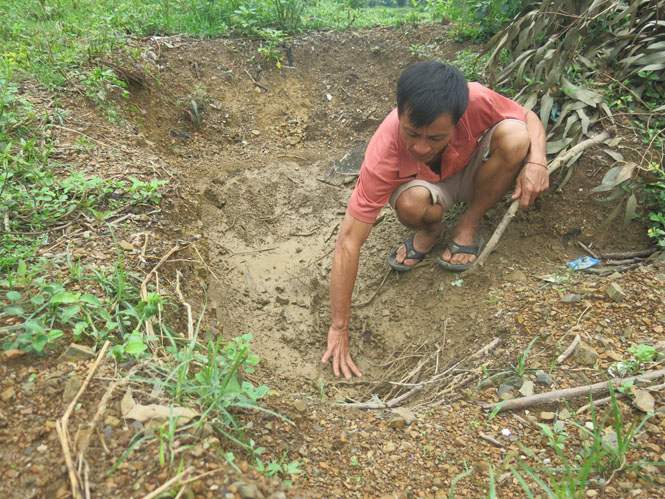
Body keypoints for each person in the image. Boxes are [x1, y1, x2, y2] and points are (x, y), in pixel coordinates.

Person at [321, 61, 549, 379]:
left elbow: (529, 117)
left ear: (458, 118)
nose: (421, 147)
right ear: (399, 113)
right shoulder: (383, 152)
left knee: (516, 136)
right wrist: (338, 326)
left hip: (470, 171)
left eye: (436, 137)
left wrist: (537, 160)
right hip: (424, 187)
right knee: (410, 204)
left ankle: (467, 224)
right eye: (411, 133)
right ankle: (431, 228)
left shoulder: (476, 99)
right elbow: (348, 241)